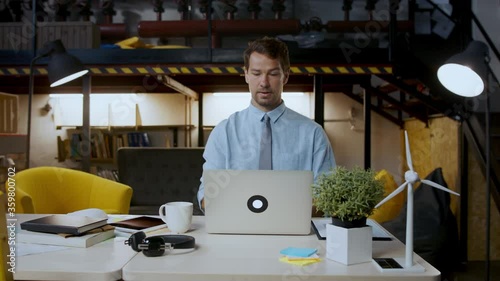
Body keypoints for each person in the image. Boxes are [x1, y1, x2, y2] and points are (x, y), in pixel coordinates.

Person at [197, 36, 336, 210]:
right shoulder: (224, 133)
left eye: (273, 73)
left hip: (295, 234)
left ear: (285, 76)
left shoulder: (313, 134)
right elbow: (206, 197)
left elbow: (328, 196)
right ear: (246, 74)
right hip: (238, 232)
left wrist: (283, 210)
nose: (264, 82)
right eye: (256, 73)